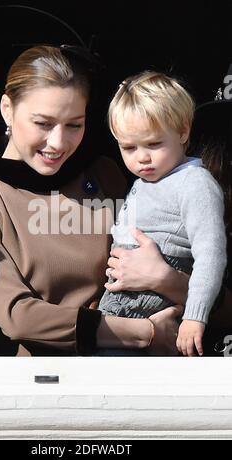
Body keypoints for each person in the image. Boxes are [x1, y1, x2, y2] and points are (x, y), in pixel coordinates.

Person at [0, 46, 189, 380]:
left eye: (74, 125)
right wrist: (147, 333)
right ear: (7, 109)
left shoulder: (106, 175)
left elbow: (157, 274)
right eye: (43, 123)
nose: (58, 142)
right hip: (36, 395)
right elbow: (17, 316)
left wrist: (167, 281)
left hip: (134, 380)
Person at [98, 71, 227, 357]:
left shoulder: (194, 183)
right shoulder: (147, 181)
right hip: (123, 303)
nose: (141, 157)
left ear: (183, 131)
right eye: (128, 147)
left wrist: (195, 316)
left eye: (153, 144)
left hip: (154, 307)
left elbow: (211, 254)